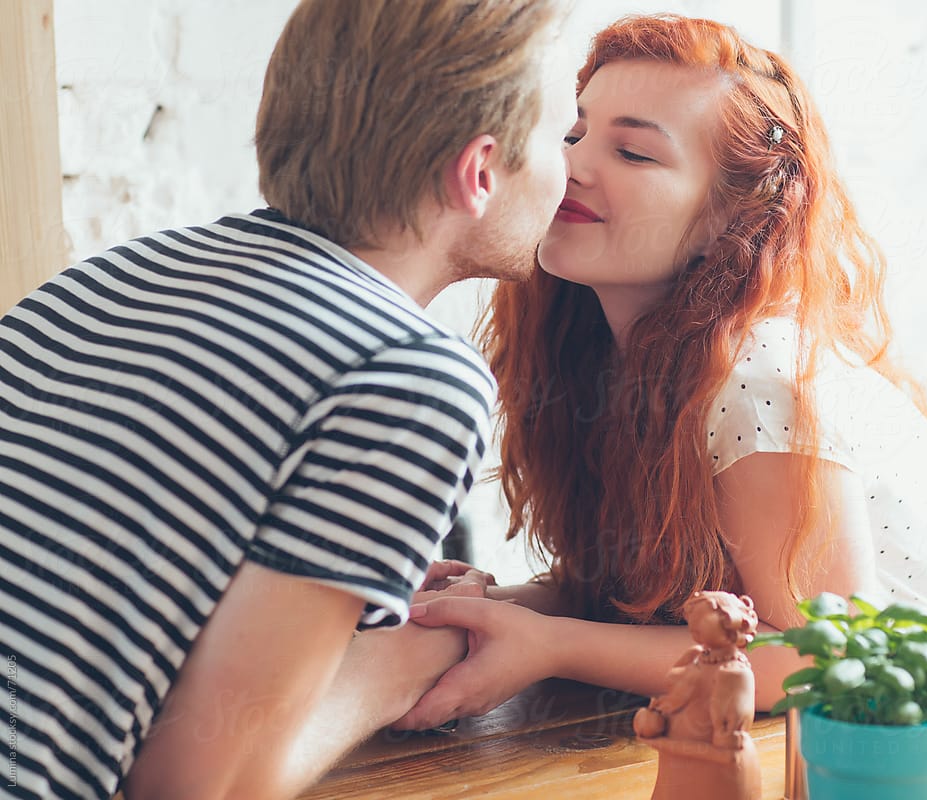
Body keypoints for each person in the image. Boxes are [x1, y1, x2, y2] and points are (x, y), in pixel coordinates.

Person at [397, 13, 927, 731]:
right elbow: (671, 593)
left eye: (633, 153)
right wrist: (502, 608)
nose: (574, 165)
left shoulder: (760, 377)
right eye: (572, 133)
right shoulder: (596, 351)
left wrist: (553, 644)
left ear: (734, 218)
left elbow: (816, 662)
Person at [0, 0, 577, 798]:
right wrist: (413, 654)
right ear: (479, 172)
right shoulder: (407, 371)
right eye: (564, 136)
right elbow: (200, 787)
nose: (572, 168)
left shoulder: (111, 278)